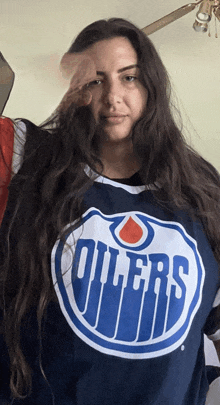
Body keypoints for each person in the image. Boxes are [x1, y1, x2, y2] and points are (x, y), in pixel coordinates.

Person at [0, 17, 220, 405]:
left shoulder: (201, 188)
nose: (113, 96)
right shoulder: (26, 158)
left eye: (129, 77)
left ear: (152, 84)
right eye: (95, 80)